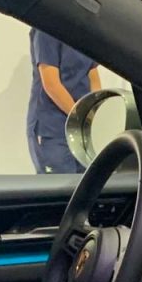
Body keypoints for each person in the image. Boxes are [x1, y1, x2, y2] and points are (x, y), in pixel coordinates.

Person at [27, 29, 100, 174]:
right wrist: (80, 116)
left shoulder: (85, 32)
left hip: (82, 128)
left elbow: (93, 75)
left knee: (86, 182)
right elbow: (51, 84)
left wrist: (95, 110)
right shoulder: (46, 31)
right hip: (53, 129)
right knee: (60, 185)